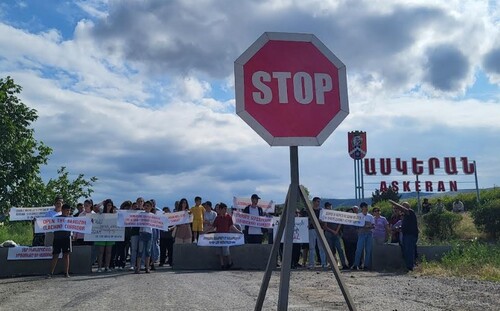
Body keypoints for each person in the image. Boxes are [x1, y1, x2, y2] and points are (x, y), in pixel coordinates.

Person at [212, 202, 242, 270]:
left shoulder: (228, 217)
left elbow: (231, 226)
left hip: (226, 236)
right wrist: (204, 232)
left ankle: (230, 262)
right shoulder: (217, 218)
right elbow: (213, 227)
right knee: (219, 251)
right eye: (224, 209)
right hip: (218, 236)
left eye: (226, 209)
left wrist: (239, 231)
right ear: (220, 209)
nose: (225, 210)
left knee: (226, 251)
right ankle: (222, 264)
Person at [390, 200, 419, 271]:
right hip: (406, 235)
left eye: (404, 206)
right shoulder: (405, 216)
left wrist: (393, 203)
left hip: (410, 235)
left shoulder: (410, 212)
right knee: (406, 251)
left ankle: (410, 267)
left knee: (409, 250)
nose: (402, 208)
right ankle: (408, 266)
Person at [47, 203, 72, 278]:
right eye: (66, 210)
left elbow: (82, 222)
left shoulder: (71, 219)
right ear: (62, 210)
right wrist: (37, 221)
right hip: (57, 238)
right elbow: (46, 223)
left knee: (66, 255)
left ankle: (66, 273)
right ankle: (51, 273)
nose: (68, 212)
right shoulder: (56, 218)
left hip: (66, 238)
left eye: (69, 211)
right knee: (55, 255)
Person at [322, 202, 349, 269]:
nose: (330, 208)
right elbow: (325, 226)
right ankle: (332, 264)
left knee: (340, 249)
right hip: (328, 233)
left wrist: (336, 231)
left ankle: (344, 264)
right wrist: (333, 231)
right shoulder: (324, 215)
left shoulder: (335, 214)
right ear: (326, 208)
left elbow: (340, 222)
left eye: (330, 207)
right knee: (330, 250)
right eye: (328, 207)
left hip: (336, 233)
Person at [352, 202, 374, 270]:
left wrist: (367, 226)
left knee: (368, 250)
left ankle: (366, 265)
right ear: (362, 208)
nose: (366, 208)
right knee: (359, 249)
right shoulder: (358, 215)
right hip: (361, 234)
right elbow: (355, 224)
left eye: (367, 207)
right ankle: (356, 265)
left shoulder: (370, 216)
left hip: (369, 234)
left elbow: (373, 225)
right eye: (365, 207)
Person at [96, 199, 115, 272]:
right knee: (100, 252)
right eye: (108, 205)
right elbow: (96, 208)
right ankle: (99, 267)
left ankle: (107, 266)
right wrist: (102, 202)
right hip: (101, 235)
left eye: (110, 205)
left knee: (108, 252)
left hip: (110, 235)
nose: (109, 207)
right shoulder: (101, 213)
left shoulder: (113, 214)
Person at [307, 197, 326, 269]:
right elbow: (308, 220)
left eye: (319, 202)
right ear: (314, 202)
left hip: (320, 229)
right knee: (312, 247)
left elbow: (324, 220)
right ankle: (311, 263)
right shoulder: (309, 210)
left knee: (322, 247)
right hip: (312, 229)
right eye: (317, 201)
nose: (318, 203)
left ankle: (323, 263)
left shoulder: (322, 210)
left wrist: (320, 221)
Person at [135, 200, 154, 274]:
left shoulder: (153, 215)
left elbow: (159, 221)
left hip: (149, 234)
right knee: (140, 251)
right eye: (146, 205)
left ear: (151, 207)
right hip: (142, 233)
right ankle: (138, 267)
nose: (147, 207)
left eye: (148, 206)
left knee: (148, 251)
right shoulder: (140, 214)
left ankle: (147, 267)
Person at [128, 197, 143, 271]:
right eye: (138, 201)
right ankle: (132, 264)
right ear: (136, 203)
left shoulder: (145, 211)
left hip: (143, 232)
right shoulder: (133, 211)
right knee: (134, 249)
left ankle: (141, 264)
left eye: (141, 201)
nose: (140, 203)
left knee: (141, 250)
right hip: (134, 232)